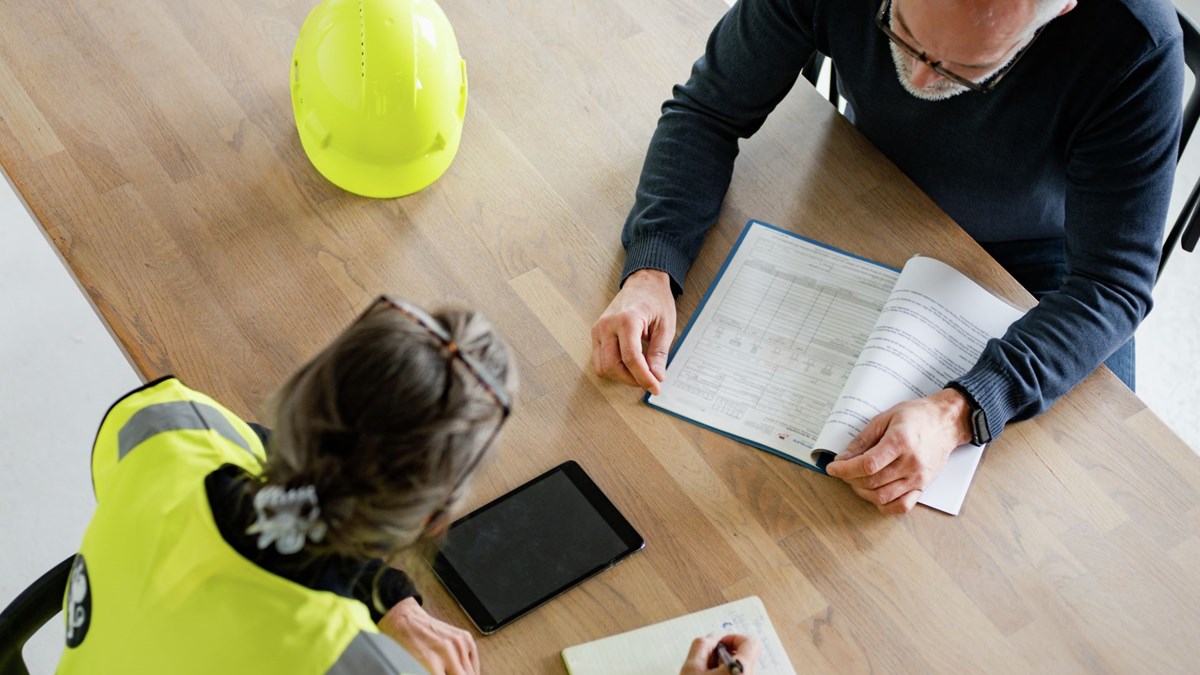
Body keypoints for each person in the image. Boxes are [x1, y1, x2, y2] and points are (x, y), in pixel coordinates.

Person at [592, 0, 1184, 514]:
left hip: (1041, 256)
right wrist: (654, 265)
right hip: (866, 179)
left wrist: (961, 411)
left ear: (1057, 12)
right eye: (901, 31)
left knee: (1075, 492)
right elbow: (709, 111)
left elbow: (1111, 283)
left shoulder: (1136, 43)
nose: (922, 81)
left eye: (968, 68)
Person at [57, 295, 760, 674]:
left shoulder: (162, 429)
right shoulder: (352, 661)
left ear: (308, 387)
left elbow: (275, 471)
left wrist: (384, 592)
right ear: (433, 520)